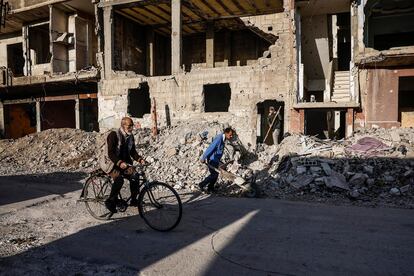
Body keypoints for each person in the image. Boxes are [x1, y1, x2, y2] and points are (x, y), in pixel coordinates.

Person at [102, 117, 145, 213]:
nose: (131, 128)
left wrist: (140, 159)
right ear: (123, 125)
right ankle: (110, 201)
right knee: (119, 179)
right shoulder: (113, 135)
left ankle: (134, 200)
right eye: (129, 126)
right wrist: (119, 162)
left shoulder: (130, 137)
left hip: (124, 164)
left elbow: (133, 152)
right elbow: (110, 153)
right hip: (111, 163)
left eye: (132, 126)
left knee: (135, 175)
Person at [199, 127, 234, 192]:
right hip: (212, 159)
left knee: (215, 174)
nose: (231, 136)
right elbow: (211, 148)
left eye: (232, 135)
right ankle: (201, 184)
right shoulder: (219, 138)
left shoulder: (223, 139)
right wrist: (203, 157)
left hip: (216, 159)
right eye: (230, 135)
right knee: (214, 174)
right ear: (226, 133)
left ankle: (210, 188)